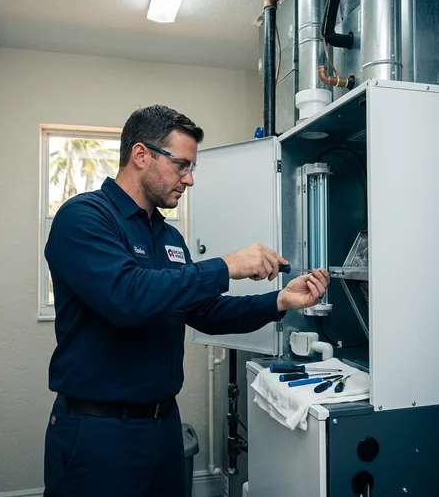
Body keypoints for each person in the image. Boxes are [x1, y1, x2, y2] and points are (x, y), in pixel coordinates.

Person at [42, 104, 330, 497]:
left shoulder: (169, 238)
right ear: (141, 155)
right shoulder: (84, 218)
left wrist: (278, 301)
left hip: (162, 426)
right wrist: (226, 266)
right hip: (98, 432)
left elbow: (205, 313)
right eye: (181, 165)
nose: (189, 179)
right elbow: (128, 298)